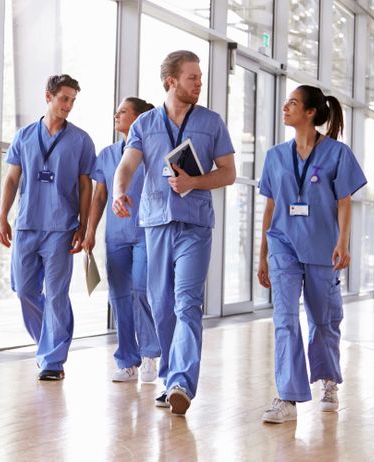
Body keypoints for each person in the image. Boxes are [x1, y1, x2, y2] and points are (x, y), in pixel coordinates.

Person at [112, 50, 236, 415]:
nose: (200, 83)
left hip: (195, 225)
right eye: (193, 77)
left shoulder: (211, 123)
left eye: (200, 77)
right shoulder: (145, 124)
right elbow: (127, 165)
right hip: (155, 224)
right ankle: (170, 379)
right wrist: (120, 192)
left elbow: (227, 172)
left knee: (187, 303)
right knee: (162, 305)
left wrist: (195, 182)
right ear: (172, 81)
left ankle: (182, 380)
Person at [257, 85, 367, 423]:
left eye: (292, 103)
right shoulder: (275, 155)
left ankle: (328, 379)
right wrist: (262, 254)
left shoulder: (337, 153)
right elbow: (270, 205)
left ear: (310, 113)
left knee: (323, 320)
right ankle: (287, 397)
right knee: (285, 319)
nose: (285, 107)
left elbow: (344, 202)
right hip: (283, 246)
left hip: (322, 247)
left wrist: (343, 243)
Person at [0, 74, 96, 381]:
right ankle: (47, 343)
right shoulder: (24, 136)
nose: (68, 105)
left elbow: (85, 187)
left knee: (56, 294)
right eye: (64, 99)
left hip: (61, 227)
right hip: (27, 224)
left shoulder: (81, 140)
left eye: (72, 101)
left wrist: (83, 224)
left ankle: (53, 360)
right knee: (24, 289)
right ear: (48, 97)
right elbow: (13, 178)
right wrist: (2, 215)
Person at [81, 97, 161, 383]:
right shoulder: (107, 154)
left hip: (145, 233)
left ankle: (151, 352)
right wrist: (90, 231)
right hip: (115, 236)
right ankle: (128, 360)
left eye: (124, 111)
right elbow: (100, 195)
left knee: (140, 290)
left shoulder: (152, 153)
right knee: (119, 298)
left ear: (140, 118)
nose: (117, 114)